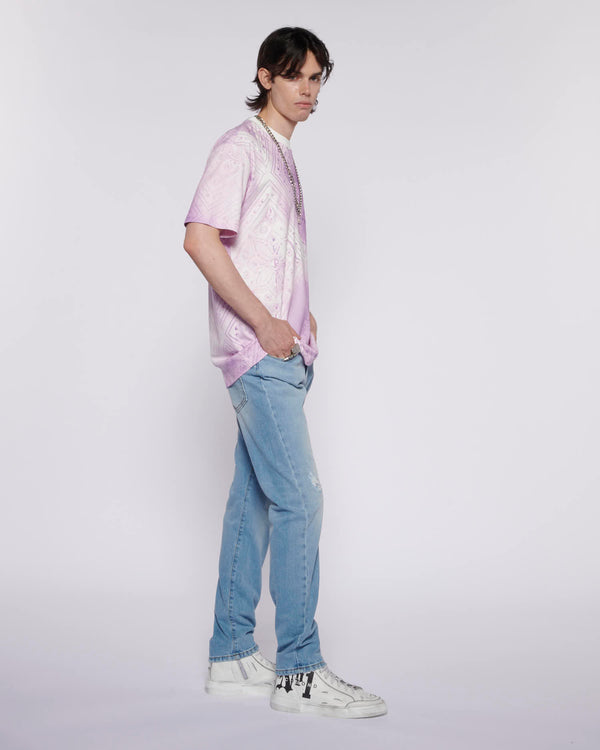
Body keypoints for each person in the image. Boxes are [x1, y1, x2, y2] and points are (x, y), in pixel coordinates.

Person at [182, 26, 386, 719]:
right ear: (265, 76)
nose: (308, 89)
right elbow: (200, 239)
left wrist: (301, 315)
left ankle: (232, 654)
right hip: (258, 356)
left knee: (255, 502)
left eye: (317, 77)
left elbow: (268, 253)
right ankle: (299, 668)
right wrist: (267, 323)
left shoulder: (281, 155)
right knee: (302, 499)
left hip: (284, 355)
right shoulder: (240, 147)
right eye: (295, 75)